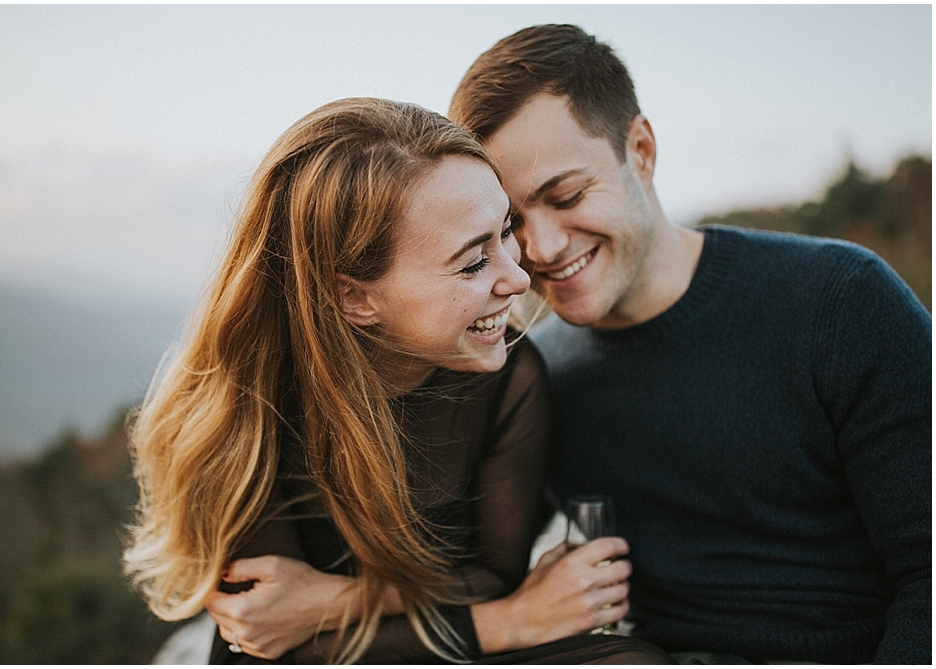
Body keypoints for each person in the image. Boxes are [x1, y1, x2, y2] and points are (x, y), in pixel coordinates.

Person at [123, 97, 671, 664]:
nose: (517, 274)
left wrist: (336, 601)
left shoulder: (509, 376)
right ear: (355, 296)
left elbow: (493, 577)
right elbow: (270, 639)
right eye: (471, 262)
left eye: (504, 230)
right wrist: (505, 627)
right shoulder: (242, 409)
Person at [448, 23, 931, 664]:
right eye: (511, 224)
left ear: (641, 150)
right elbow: (474, 571)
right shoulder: (536, 373)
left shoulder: (841, 301)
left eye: (566, 196)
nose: (542, 249)